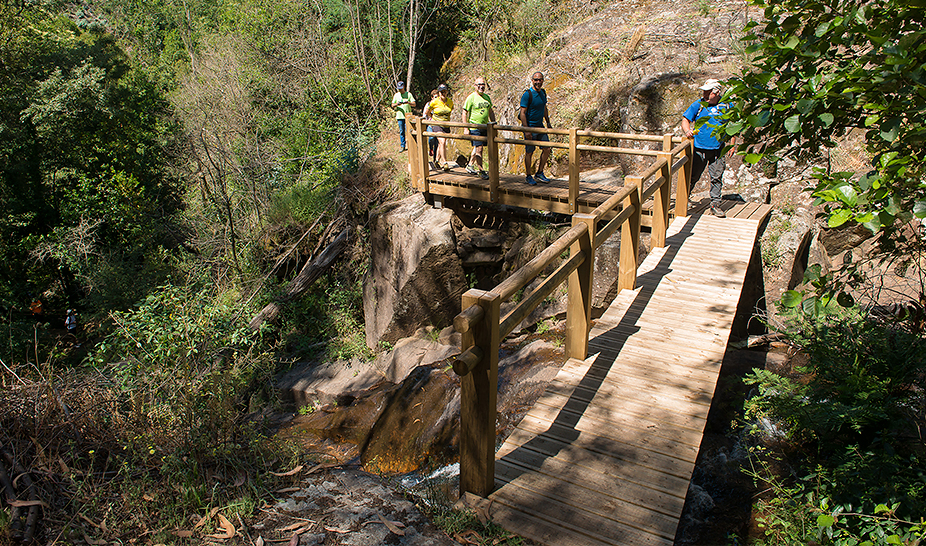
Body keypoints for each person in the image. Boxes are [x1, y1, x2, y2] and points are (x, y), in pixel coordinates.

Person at [681, 78, 736, 218]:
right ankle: (683, 200)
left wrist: (732, 143)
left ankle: (715, 205)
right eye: (704, 92)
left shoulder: (727, 105)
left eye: (708, 92)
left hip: (718, 148)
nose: (705, 95)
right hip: (699, 147)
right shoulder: (698, 105)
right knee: (693, 176)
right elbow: (685, 119)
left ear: (717, 92)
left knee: (716, 177)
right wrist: (687, 131)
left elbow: (733, 125)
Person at [519, 72, 552, 185]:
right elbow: (522, 113)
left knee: (547, 149)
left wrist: (548, 122)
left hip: (540, 126)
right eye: (536, 80)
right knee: (529, 152)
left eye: (540, 80)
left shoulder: (543, 93)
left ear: (543, 80)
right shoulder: (528, 94)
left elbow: (544, 108)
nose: (538, 82)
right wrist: (526, 129)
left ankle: (539, 173)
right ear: (532, 80)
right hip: (530, 127)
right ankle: (528, 175)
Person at [462, 77, 496, 180]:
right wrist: (466, 128)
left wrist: (494, 124)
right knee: (479, 149)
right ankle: (481, 171)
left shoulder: (487, 97)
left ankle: (470, 165)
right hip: (474, 127)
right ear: (475, 86)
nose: (481, 86)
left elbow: (490, 111)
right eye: (479, 85)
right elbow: (464, 112)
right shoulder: (471, 98)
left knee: (478, 148)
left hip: (485, 126)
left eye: (483, 85)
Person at [424, 84, 454, 171]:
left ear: (447, 92)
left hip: (446, 125)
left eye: (444, 91)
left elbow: (450, 110)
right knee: (442, 141)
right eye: (441, 92)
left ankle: (436, 160)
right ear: (439, 92)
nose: (443, 93)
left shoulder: (450, 102)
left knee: (442, 144)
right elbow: (427, 112)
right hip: (436, 124)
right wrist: (434, 118)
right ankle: (445, 162)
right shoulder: (434, 102)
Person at [391, 82, 415, 152]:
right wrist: (397, 104)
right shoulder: (396, 95)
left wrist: (408, 102)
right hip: (400, 116)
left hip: (408, 116)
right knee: (402, 132)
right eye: (399, 89)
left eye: (401, 88)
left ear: (404, 87)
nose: (400, 90)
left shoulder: (409, 94)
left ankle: (411, 145)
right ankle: (403, 146)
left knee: (409, 131)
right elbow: (392, 105)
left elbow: (414, 104)